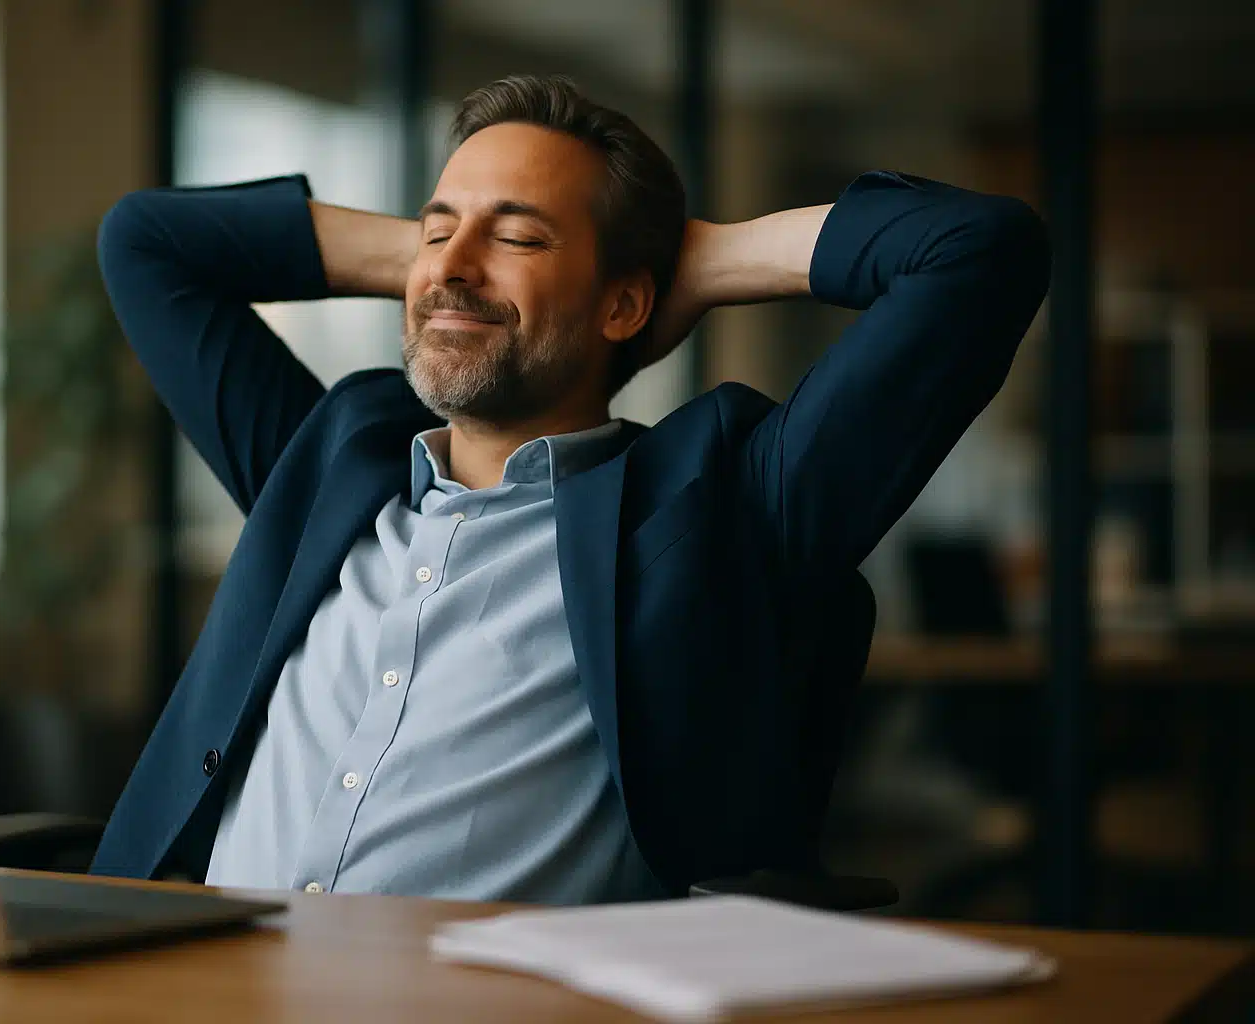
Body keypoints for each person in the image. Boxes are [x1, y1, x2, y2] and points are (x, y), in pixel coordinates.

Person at [90, 74, 1049, 903]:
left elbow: (976, 249)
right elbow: (148, 242)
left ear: (629, 301)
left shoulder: (723, 509)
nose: (454, 263)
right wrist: (444, 268)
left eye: (522, 238)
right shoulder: (327, 469)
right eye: (439, 227)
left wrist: (698, 260)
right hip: (193, 983)